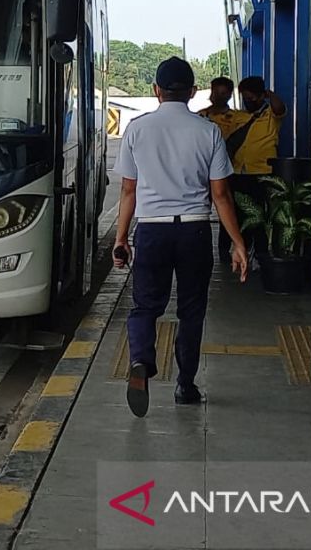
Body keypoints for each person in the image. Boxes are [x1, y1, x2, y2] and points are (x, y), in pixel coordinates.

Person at [112, 57, 249, 418]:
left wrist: (121, 238)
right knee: (191, 311)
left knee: (145, 307)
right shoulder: (208, 132)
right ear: (192, 92)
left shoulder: (137, 129)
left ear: (156, 91)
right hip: (194, 230)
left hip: (152, 230)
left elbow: (129, 191)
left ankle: (141, 359)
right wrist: (238, 243)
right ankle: (185, 385)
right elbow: (221, 196)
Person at [225, 76, 288, 264]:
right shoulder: (238, 117)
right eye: (245, 97)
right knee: (240, 214)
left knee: (260, 216)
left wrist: (268, 94)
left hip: (263, 172)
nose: (248, 101)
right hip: (238, 172)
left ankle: (260, 254)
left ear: (261, 96)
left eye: (252, 97)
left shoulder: (271, 115)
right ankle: (242, 248)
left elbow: (280, 108)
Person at [199, 77, 251, 262]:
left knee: (228, 210)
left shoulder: (240, 119)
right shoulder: (200, 117)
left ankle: (226, 249)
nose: (217, 97)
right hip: (203, 174)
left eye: (222, 93)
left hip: (231, 171)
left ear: (229, 95)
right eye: (215, 92)